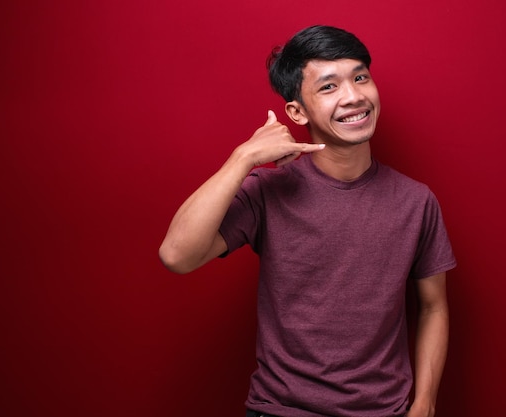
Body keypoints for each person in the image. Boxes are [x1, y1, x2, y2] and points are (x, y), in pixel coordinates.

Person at [159, 25, 456, 417]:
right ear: (298, 111)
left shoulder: (416, 201)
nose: (354, 96)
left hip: (384, 412)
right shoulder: (269, 190)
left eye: (360, 77)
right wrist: (243, 157)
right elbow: (177, 255)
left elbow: (434, 307)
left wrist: (425, 403)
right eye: (329, 87)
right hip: (281, 411)